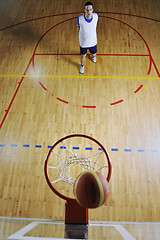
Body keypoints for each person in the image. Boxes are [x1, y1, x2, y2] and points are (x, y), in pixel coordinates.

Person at [77, 2, 98, 74]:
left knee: (94, 53)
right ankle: (82, 66)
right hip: (83, 43)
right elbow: (79, 26)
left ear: (93, 10)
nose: (89, 11)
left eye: (90, 9)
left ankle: (93, 57)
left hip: (93, 41)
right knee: (83, 55)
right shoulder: (79, 19)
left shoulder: (96, 16)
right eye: (87, 10)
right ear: (84, 10)